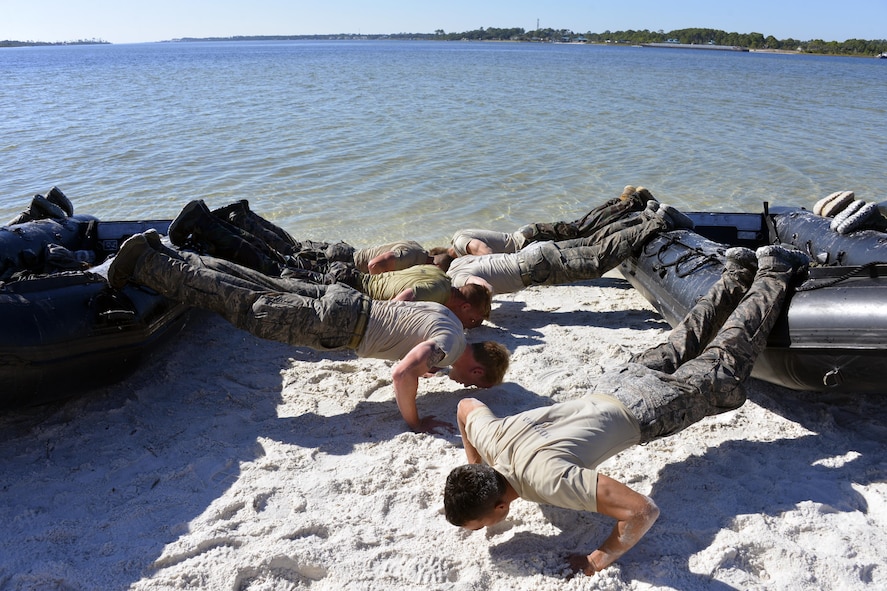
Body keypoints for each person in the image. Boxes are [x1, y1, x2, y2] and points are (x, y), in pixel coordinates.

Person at [442, 243, 810, 575]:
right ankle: (737, 272)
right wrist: (476, 462)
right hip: (617, 382)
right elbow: (466, 407)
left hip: (648, 408)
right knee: (687, 338)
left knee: (727, 356)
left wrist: (595, 560)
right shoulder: (490, 437)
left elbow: (642, 512)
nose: (483, 528)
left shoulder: (547, 483)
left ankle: (774, 270)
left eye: (480, 524)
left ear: (500, 509)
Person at [107, 230, 510, 433]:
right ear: (476, 371)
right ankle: (146, 264)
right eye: (473, 387)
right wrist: (414, 420)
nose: (465, 388)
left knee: (255, 283)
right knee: (243, 304)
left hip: (349, 300)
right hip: (340, 326)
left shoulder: (450, 324)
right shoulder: (447, 348)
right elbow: (401, 374)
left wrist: (411, 352)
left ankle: (166, 252)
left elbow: (402, 310)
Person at [440, 201, 695, 296]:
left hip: (532, 263)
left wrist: (482, 309)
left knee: (599, 258)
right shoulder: (458, 264)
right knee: (591, 240)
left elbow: (484, 287)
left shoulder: (458, 271)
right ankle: (643, 216)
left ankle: (659, 220)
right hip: (533, 252)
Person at [170, 199, 434, 276]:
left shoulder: (417, 247)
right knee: (278, 254)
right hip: (343, 262)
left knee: (288, 247)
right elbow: (378, 264)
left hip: (343, 254)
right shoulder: (413, 257)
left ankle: (243, 216)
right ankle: (213, 221)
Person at [447, 185, 654, 257]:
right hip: (528, 234)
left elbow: (486, 254)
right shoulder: (458, 237)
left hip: (529, 239)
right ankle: (621, 201)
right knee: (580, 226)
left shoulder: (461, 243)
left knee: (581, 229)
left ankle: (634, 202)